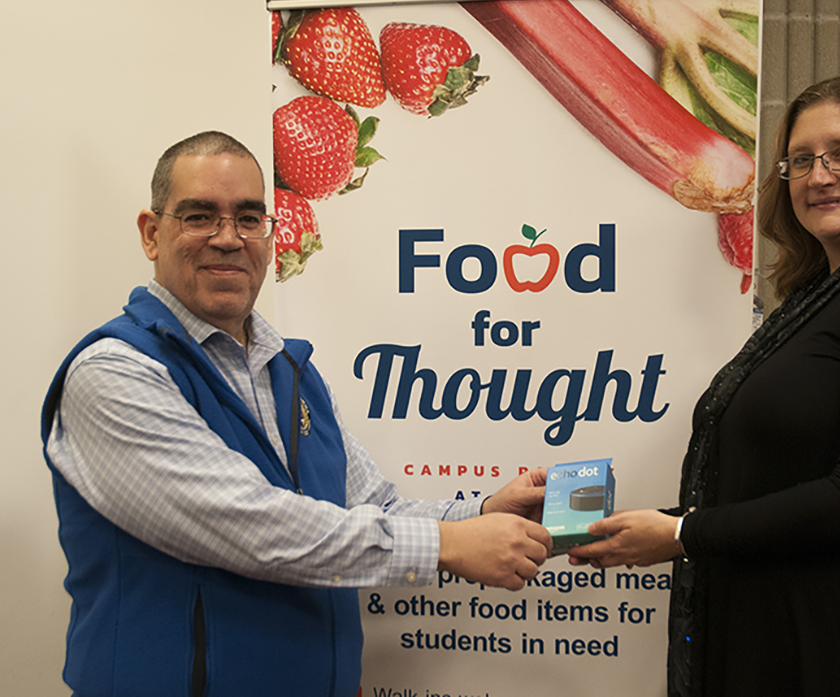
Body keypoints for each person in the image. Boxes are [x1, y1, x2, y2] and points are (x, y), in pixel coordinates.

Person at [40, 131, 553, 697]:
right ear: (151, 233)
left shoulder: (291, 372)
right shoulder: (115, 373)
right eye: (199, 216)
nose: (229, 239)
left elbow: (374, 505)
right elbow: (249, 526)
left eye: (249, 218)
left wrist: (479, 513)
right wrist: (449, 547)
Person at [568, 74, 840, 696]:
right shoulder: (812, 302)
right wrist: (657, 523)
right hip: (803, 638)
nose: (819, 175)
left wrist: (685, 532)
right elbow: (774, 482)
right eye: (800, 160)